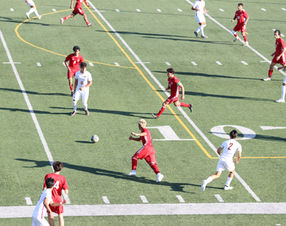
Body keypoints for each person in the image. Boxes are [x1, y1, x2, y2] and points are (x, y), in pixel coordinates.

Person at [43, 162, 69, 226]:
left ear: (53, 167)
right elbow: (66, 190)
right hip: (58, 199)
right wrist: (65, 197)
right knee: (60, 215)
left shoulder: (48, 176)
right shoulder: (62, 178)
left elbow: (44, 188)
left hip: (50, 198)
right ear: (61, 169)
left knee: (50, 214)